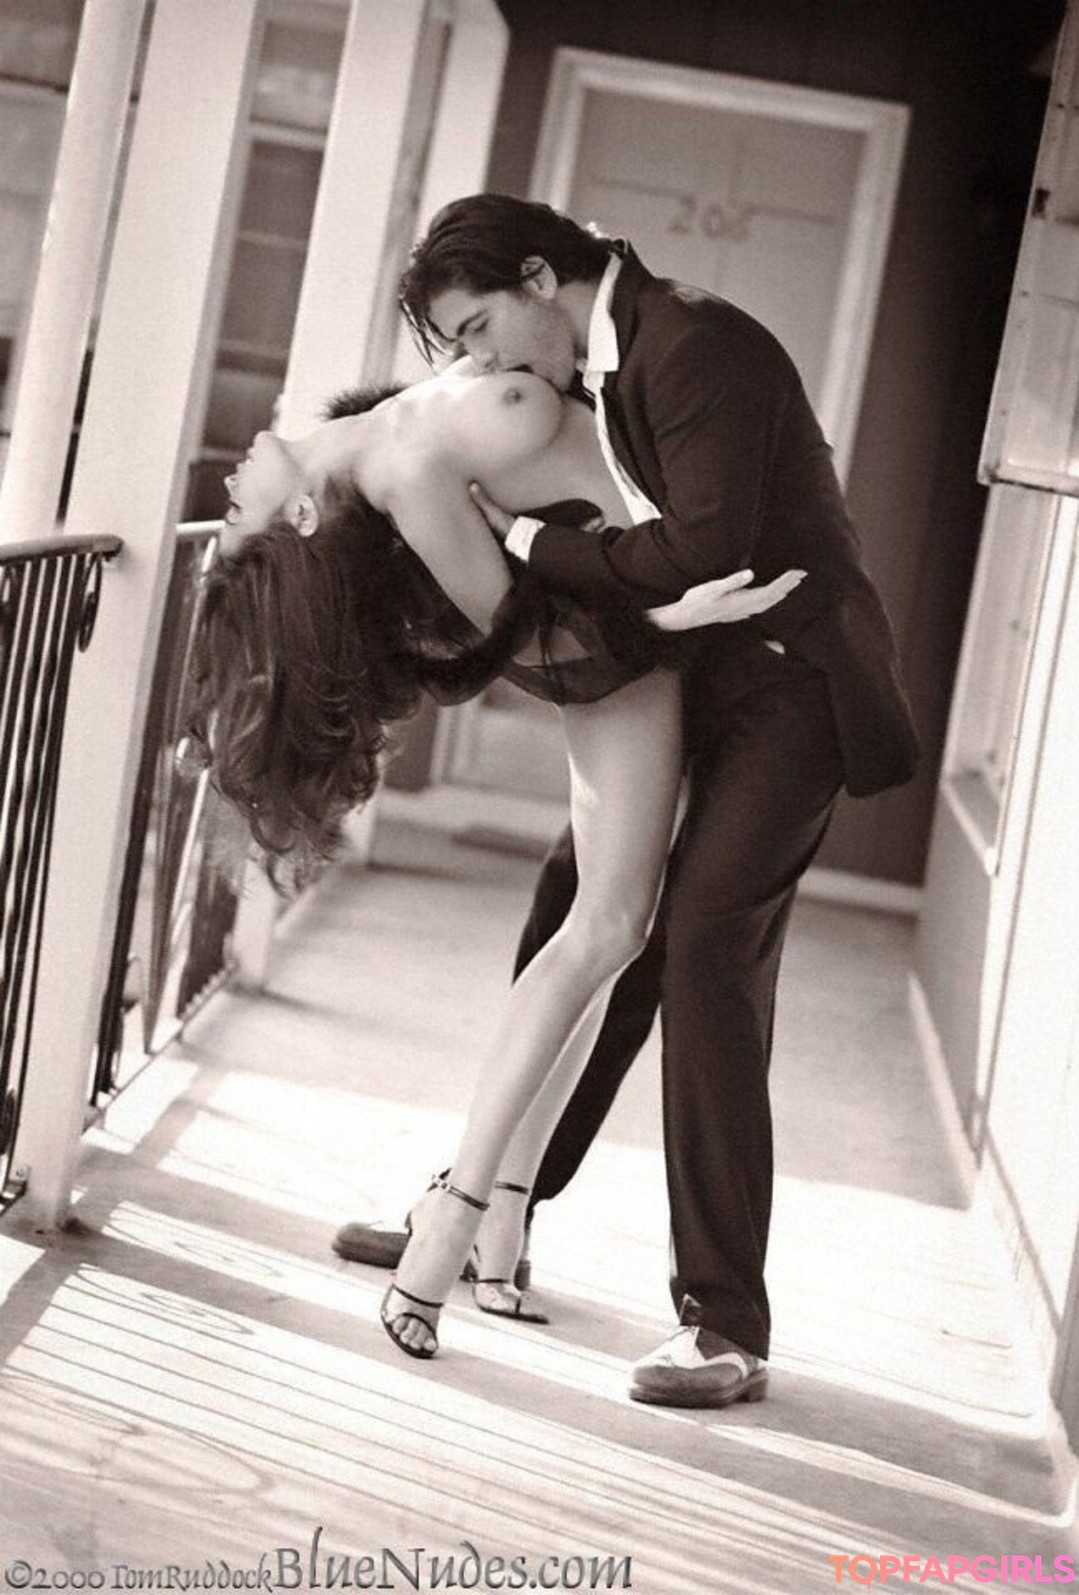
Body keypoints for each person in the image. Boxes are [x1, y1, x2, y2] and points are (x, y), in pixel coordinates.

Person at [336, 193, 919, 1406]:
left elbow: (705, 550)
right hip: (697, 667)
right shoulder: (602, 357)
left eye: (481, 329)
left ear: (539, 278)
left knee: (703, 944)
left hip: (793, 686)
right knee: (584, 905)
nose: (481, 364)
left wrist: (524, 545)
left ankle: (725, 1322)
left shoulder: (695, 343)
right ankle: (495, 1200)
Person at [192, 360, 802, 1364]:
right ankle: (460, 1213)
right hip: (617, 652)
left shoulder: (387, 430)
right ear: (298, 516)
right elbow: (532, 639)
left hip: (631, 600)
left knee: (608, 929)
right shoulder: (398, 468)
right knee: (609, 927)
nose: (223, 487)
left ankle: (496, 1213)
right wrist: (665, 620)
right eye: (235, 520)